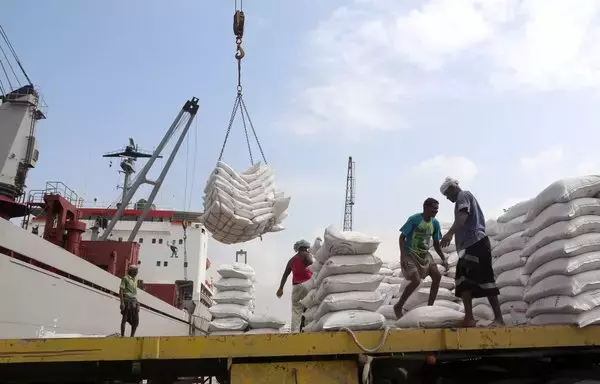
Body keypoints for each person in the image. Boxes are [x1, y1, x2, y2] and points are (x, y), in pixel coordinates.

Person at [439, 177, 503, 327]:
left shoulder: (463, 195)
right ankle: (469, 318)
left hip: (476, 244)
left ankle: (499, 319)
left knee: (486, 280)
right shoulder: (463, 197)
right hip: (468, 246)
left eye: (447, 195)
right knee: (463, 281)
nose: (448, 199)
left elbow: (462, 216)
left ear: (452, 188)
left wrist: (449, 234)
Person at [393, 198, 448, 319]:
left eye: (437, 208)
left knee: (437, 276)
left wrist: (443, 258)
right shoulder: (414, 219)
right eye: (434, 208)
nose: (436, 211)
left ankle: (429, 307)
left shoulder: (435, 223)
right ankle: (398, 306)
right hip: (410, 253)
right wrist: (402, 257)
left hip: (424, 255)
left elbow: (436, 243)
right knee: (416, 281)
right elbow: (402, 237)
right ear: (426, 207)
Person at [276, 239, 313, 332]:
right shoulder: (307, 255)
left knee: (296, 311)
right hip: (308, 286)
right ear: (306, 248)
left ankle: (295, 332)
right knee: (309, 309)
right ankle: (307, 331)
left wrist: (281, 288)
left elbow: (285, 275)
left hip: (297, 287)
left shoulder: (292, 260)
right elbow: (311, 262)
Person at [120, 264, 140, 337]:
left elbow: (134, 293)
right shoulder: (125, 278)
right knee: (124, 319)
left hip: (134, 302)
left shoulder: (135, 280)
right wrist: (122, 303)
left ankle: (132, 336)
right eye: (136, 271)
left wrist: (138, 303)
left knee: (136, 321)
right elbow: (121, 290)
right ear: (132, 271)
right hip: (126, 300)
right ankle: (122, 336)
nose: (137, 273)